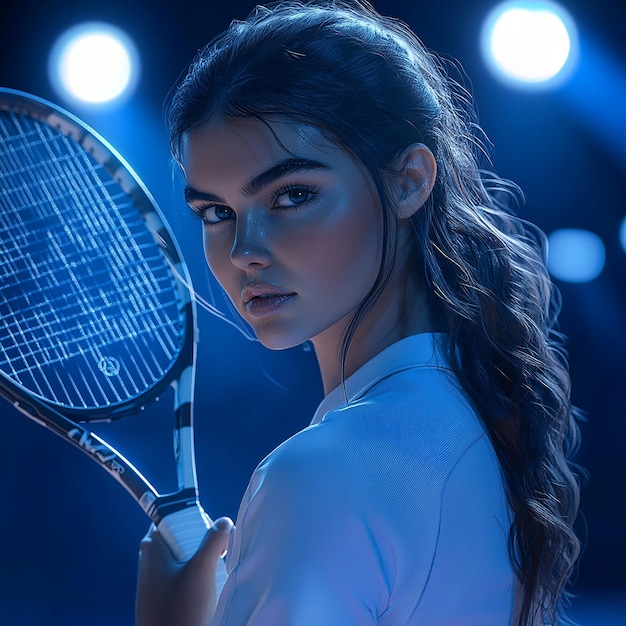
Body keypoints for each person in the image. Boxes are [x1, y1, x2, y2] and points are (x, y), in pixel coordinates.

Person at [136, 1, 582, 624]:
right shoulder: (473, 418)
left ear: (408, 181)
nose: (243, 251)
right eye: (215, 212)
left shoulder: (323, 473)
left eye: (292, 195)